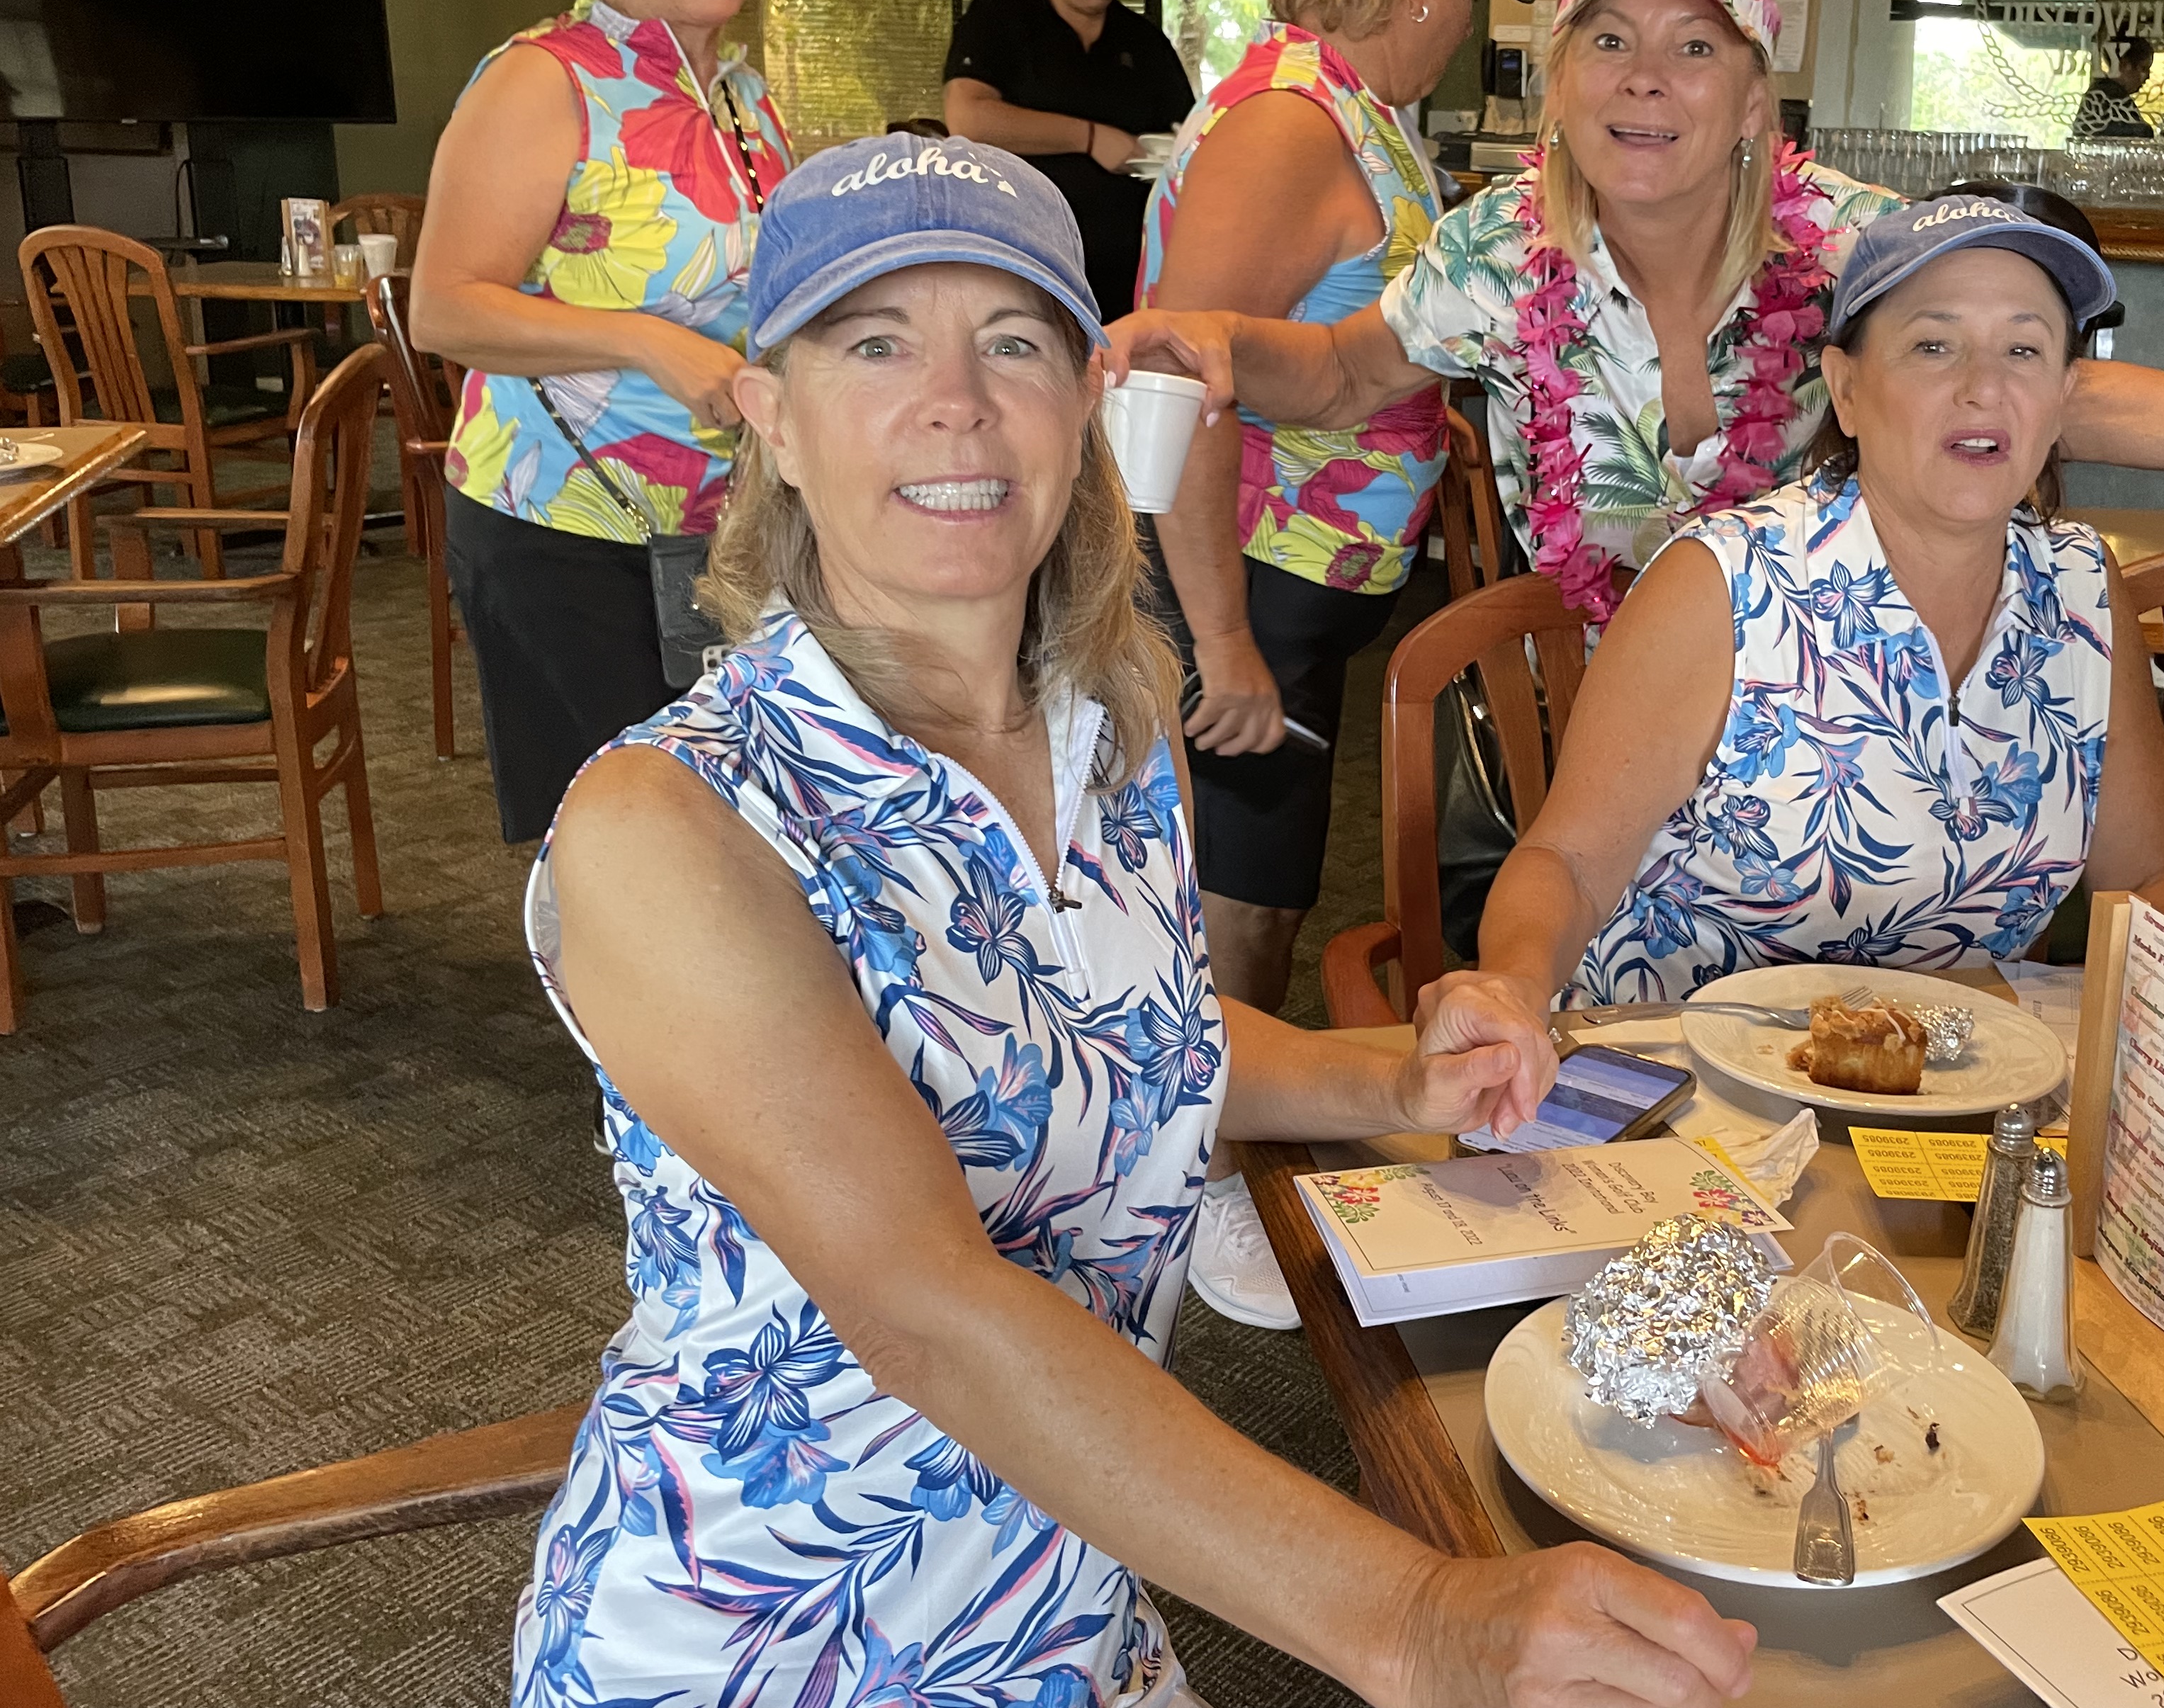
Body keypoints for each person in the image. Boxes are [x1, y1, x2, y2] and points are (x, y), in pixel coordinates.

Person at [512, 131, 1752, 1707]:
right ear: (774, 420)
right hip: (770, 1639)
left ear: (1087, 401)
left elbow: (1114, 1024)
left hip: (1075, 1589)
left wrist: (1392, 1078)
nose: (955, 401)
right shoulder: (671, 819)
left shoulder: (1108, 727)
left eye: (1012, 343)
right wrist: (1417, 1618)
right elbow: (932, 1311)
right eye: (874, 343)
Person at [1108, 0, 2164, 627]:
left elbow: (2045, 393)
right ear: (1563, 83)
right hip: (1592, 709)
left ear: (1749, 99)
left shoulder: (1855, 243)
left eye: (1692, 46)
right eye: (1609, 41)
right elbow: (1345, 371)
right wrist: (1217, 343)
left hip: (1822, 713)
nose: (1644, 77)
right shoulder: (1493, 249)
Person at [1421, 196, 2164, 1016]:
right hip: (1672, 1064)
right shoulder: (1725, 584)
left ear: (2061, 397)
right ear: (1846, 389)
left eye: (2023, 349)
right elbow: (1568, 862)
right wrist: (1513, 985)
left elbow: (2156, 874)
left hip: (1953, 1078)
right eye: (1934, 346)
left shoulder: (2080, 592)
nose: (1984, 387)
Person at [1138, 0, 1528, 1018]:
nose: (1467, 24)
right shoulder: (1291, 126)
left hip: (1291, 586)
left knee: (1267, 898)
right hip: (1242, 584)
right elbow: (1181, 372)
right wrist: (1222, 644)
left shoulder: (1354, 107)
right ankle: (1218, 1136)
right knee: (1236, 914)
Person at [417, 0, 817, 843]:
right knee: (617, 836)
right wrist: (647, 343)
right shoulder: (544, 80)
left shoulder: (742, 97)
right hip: (567, 524)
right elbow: (444, 309)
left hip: (721, 527)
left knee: (725, 827)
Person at [940, 0, 1193, 322]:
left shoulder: (1142, 40)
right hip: (1021, 262)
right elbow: (969, 117)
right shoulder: (1003, 12)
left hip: (1126, 279)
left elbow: (1187, 140)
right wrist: (1090, 137)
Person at [2070, 35, 2158, 141]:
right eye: (2143, 68)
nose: (2147, 76)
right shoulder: (2111, 97)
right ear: (2124, 65)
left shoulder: (2101, 93)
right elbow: (2141, 135)